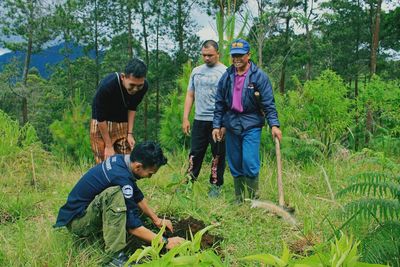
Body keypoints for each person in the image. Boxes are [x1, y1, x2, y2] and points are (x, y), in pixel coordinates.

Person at [54, 141, 185, 265]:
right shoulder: (121, 178)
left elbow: (137, 196)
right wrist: (165, 242)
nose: (149, 177)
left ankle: (133, 235)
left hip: (83, 212)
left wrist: (156, 220)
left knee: (129, 201)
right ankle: (114, 258)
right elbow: (132, 226)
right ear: (138, 166)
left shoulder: (122, 162)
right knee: (114, 194)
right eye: (150, 174)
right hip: (78, 222)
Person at [212, 39, 282, 203]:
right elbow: (220, 102)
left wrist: (274, 125)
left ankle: (253, 198)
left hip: (251, 123)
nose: (237, 59)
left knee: (249, 161)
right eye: (234, 56)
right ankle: (239, 198)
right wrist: (217, 125)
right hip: (231, 123)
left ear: (249, 55)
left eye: (240, 55)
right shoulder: (227, 76)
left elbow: (268, 103)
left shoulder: (259, 77)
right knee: (235, 161)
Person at [182, 40, 227, 197]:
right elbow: (190, 94)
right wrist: (185, 118)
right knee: (195, 153)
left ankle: (215, 186)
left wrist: (224, 124)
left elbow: (228, 99)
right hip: (199, 119)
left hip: (217, 121)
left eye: (210, 55)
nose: (206, 58)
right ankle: (188, 182)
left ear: (218, 54)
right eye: (204, 55)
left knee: (218, 155)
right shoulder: (196, 71)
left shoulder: (225, 72)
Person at [90, 58, 148, 164]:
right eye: (132, 85)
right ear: (123, 77)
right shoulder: (107, 86)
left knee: (126, 160)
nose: (135, 89)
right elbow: (100, 117)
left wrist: (130, 133)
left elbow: (132, 107)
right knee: (103, 160)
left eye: (139, 85)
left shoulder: (143, 87)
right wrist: (108, 145)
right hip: (101, 123)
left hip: (122, 122)